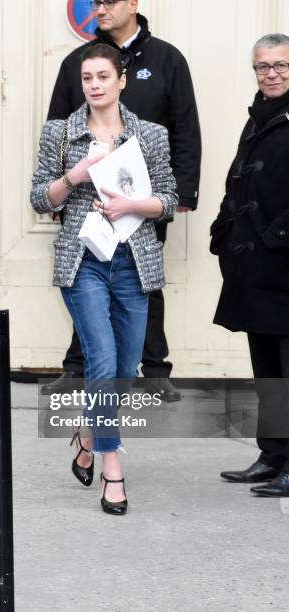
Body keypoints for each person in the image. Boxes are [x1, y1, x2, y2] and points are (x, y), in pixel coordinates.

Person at [31, 44, 177, 514]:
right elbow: (40, 198)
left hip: (134, 261)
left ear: (121, 81)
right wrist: (74, 176)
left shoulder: (149, 134)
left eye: (102, 76)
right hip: (84, 261)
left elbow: (170, 199)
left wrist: (129, 205)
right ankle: (112, 468)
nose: (93, 85)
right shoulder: (60, 133)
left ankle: (89, 432)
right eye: (87, 77)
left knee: (126, 366)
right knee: (102, 359)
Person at [42, 0, 201, 402]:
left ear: (133, 4)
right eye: (95, 2)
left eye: (109, 1)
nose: (100, 9)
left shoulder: (167, 58)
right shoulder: (77, 61)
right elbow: (57, 122)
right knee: (87, 278)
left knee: (144, 280)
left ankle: (155, 368)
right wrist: (62, 188)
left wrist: (183, 191)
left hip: (142, 202)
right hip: (83, 204)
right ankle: (77, 366)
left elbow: (184, 124)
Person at [210, 33, 289, 497]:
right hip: (255, 268)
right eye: (263, 66)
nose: (272, 73)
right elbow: (239, 179)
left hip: (283, 263)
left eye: (281, 65)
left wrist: (276, 237)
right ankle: (273, 454)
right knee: (268, 370)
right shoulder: (258, 116)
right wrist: (224, 231)